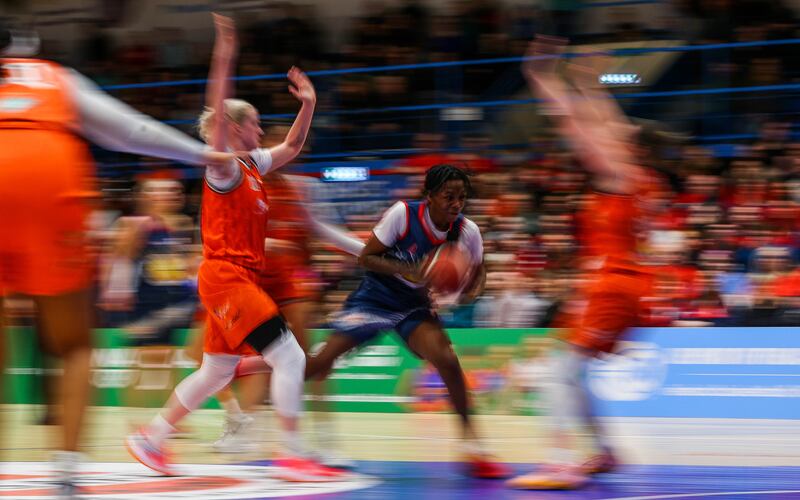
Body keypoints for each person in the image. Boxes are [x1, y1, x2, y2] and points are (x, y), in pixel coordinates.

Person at [0, 23, 235, 497]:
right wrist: (203, 154)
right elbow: (130, 130)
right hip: (48, 173)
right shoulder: (52, 76)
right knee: (73, 344)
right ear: (23, 48)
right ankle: (66, 470)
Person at [124, 15, 338, 482]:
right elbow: (216, 108)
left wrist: (309, 103)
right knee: (291, 356)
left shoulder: (256, 164)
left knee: (216, 372)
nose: (262, 132)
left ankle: (150, 439)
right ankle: (293, 453)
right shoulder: (223, 169)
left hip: (235, 280)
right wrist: (225, 52)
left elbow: (295, 145)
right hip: (226, 277)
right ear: (234, 127)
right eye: (256, 124)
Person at [507, 37, 656, 490]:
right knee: (574, 373)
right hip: (620, 283)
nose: (613, 129)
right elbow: (602, 119)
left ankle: (559, 462)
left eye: (619, 134)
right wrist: (591, 82)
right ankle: (602, 451)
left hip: (614, 284)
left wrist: (543, 77)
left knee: (559, 372)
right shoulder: (629, 172)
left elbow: (575, 122)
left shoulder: (619, 173)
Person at [304, 163, 511, 479]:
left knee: (447, 360)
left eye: (461, 197)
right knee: (321, 363)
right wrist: (408, 270)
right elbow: (366, 257)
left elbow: (480, 273)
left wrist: (466, 291)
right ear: (430, 195)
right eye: (448, 196)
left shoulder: (467, 232)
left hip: (413, 306)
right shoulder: (403, 214)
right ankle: (265, 370)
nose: (456, 204)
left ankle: (474, 449)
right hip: (375, 296)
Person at [205, 168, 363, 468]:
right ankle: (243, 426)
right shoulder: (241, 183)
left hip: (291, 280)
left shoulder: (302, 188)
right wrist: (269, 245)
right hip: (249, 279)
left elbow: (318, 231)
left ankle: (324, 441)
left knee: (311, 360)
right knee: (225, 360)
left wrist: (357, 250)